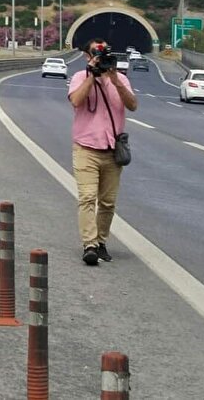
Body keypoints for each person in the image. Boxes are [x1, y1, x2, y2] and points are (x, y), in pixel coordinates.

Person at [68, 38, 137, 266]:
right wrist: (92, 76)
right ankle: (89, 245)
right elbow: (76, 101)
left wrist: (115, 79)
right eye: (96, 54)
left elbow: (132, 105)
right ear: (88, 57)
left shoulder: (121, 79)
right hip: (86, 149)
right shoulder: (80, 78)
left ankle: (101, 241)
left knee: (107, 202)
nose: (101, 58)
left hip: (111, 152)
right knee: (87, 198)